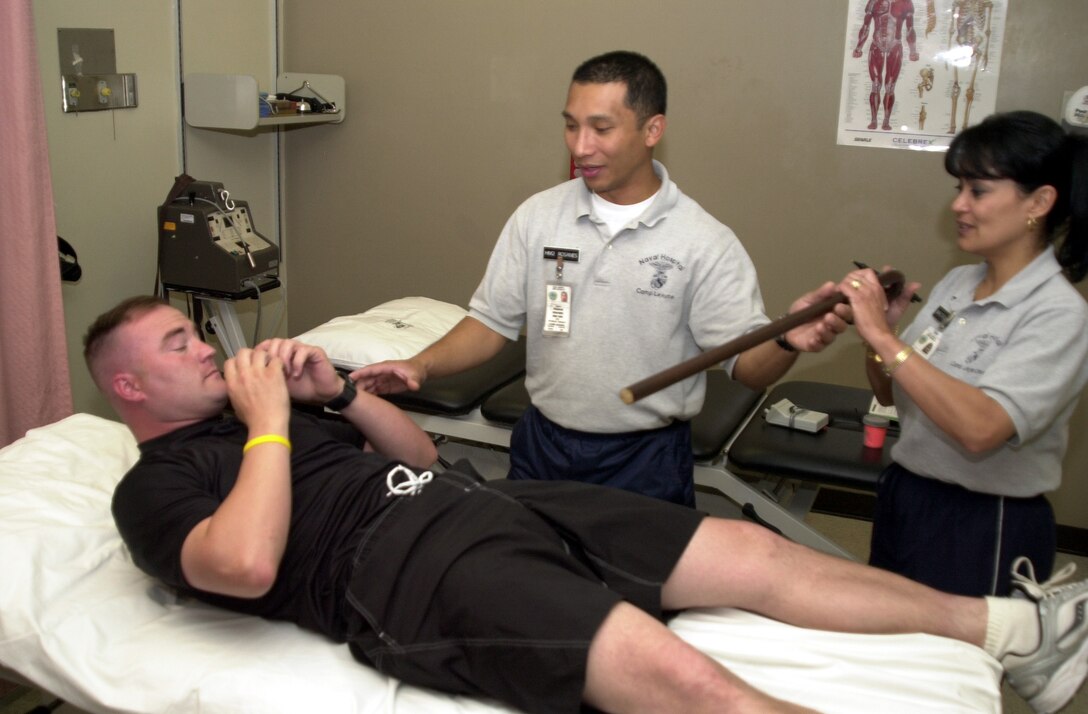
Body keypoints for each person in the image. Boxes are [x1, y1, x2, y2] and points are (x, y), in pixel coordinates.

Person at [86, 295, 1088, 714]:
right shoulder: (158, 487)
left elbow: (421, 446)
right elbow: (246, 565)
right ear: (127, 390)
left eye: (194, 334)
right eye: (178, 346)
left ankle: (1009, 625)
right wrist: (267, 423)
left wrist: (335, 396)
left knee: (746, 552)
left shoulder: (278, 415)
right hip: (406, 572)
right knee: (685, 680)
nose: (207, 351)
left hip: (482, 500)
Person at [353, 50, 847, 507]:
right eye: (571, 126)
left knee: (635, 594)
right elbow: (490, 324)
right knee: (531, 584)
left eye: (601, 128)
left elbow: (746, 367)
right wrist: (421, 366)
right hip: (544, 446)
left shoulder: (704, 242)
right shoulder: (538, 217)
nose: (581, 146)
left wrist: (786, 339)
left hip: (645, 462)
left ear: (652, 129)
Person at [840, 110, 1088, 597]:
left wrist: (886, 340)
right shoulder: (959, 283)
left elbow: (981, 430)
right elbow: (892, 393)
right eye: (959, 188)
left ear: (1039, 201)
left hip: (984, 520)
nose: (958, 205)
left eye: (978, 190)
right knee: (886, 648)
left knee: (955, 665)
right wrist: (880, 341)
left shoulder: (1061, 314)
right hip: (909, 493)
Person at [852, 0, 920, 131]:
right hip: (876, 45)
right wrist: (858, 47)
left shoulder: (906, 2)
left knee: (889, 86)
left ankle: (886, 121)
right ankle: (873, 120)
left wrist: (913, 50)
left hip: (895, 45)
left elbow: (910, 28)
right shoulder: (873, 2)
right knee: (876, 84)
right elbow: (865, 26)